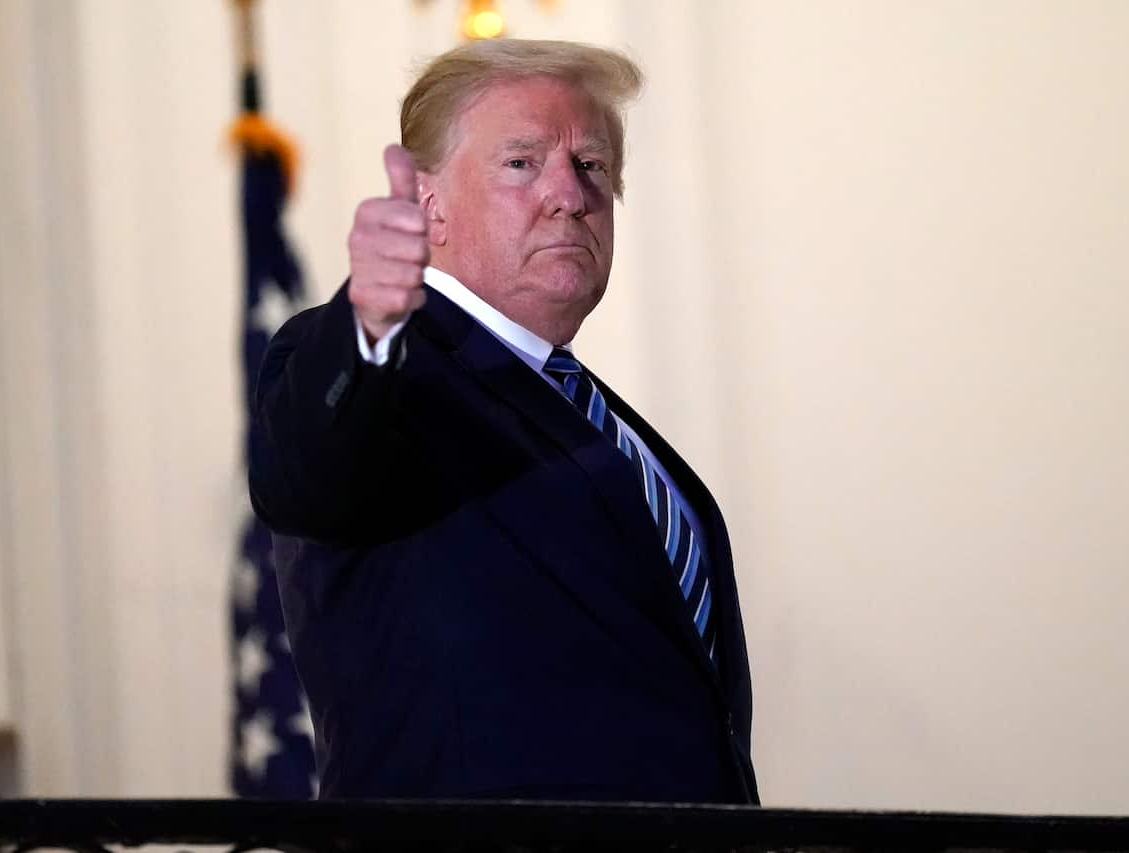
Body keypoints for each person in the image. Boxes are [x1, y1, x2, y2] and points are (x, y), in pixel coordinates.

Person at [249, 38, 756, 803]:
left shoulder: (586, 409)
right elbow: (305, 476)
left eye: (591, 166)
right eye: (522, 162)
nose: (570, 194)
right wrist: (365, 327)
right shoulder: (391, 372)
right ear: (428, 204)